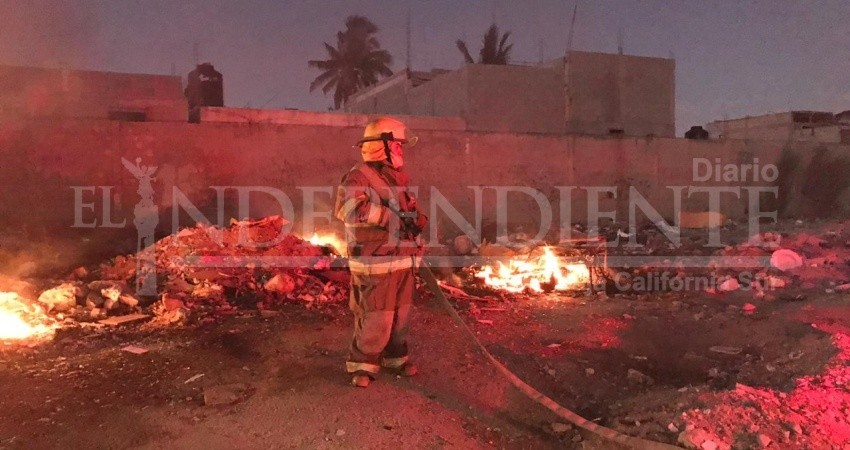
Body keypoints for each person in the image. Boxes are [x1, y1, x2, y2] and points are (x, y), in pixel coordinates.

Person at [333, 117, 428, 388]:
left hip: (402, 261)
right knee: (377, 317)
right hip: (375, 262)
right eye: (397, 146)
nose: (401, 151)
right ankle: (362, 364)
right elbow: (349, 210)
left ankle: (395, 358)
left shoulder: (396, 178)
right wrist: (390, 217)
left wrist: (417, 219)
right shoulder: (358, 176)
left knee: (401, 316)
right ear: (382, 146)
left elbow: (408, 209)